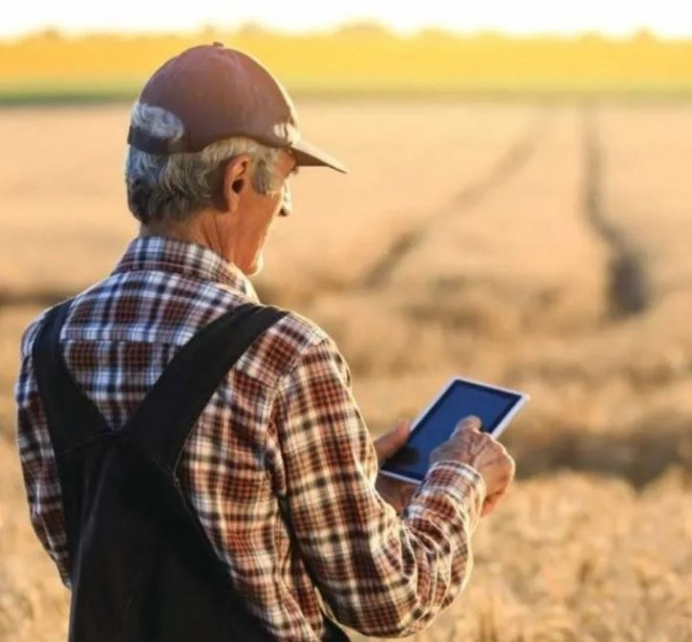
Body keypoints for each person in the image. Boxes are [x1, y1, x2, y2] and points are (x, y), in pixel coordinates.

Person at [14, 43, 516, 642]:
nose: (286, 208)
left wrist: (349, 484)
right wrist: (459, 479)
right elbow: (390, 599)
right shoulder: (284, 355)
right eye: (284, 181)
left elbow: (94, 558)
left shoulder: (46, 344)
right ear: (236, 181)